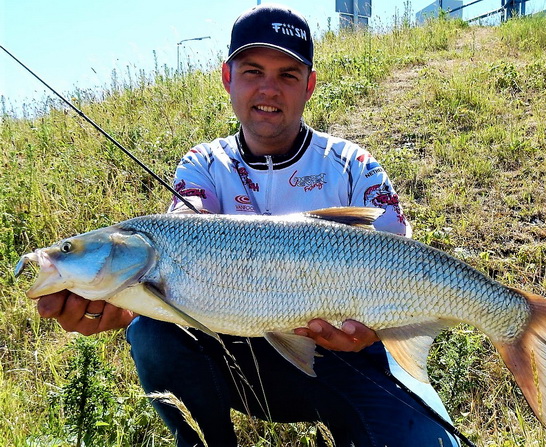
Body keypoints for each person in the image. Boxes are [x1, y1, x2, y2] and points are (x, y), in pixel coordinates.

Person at [33, 4, 459, 446]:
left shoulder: (353, 166)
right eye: (253, 71)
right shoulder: (203, 166)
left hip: (355, 358)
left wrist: (376, 328)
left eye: (288, 75)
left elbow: (405, 266)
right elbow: (181, 246)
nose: (269, 89)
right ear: (227, 78)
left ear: (310, 85)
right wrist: (127, 301)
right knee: (152, 331)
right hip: (241, 353)